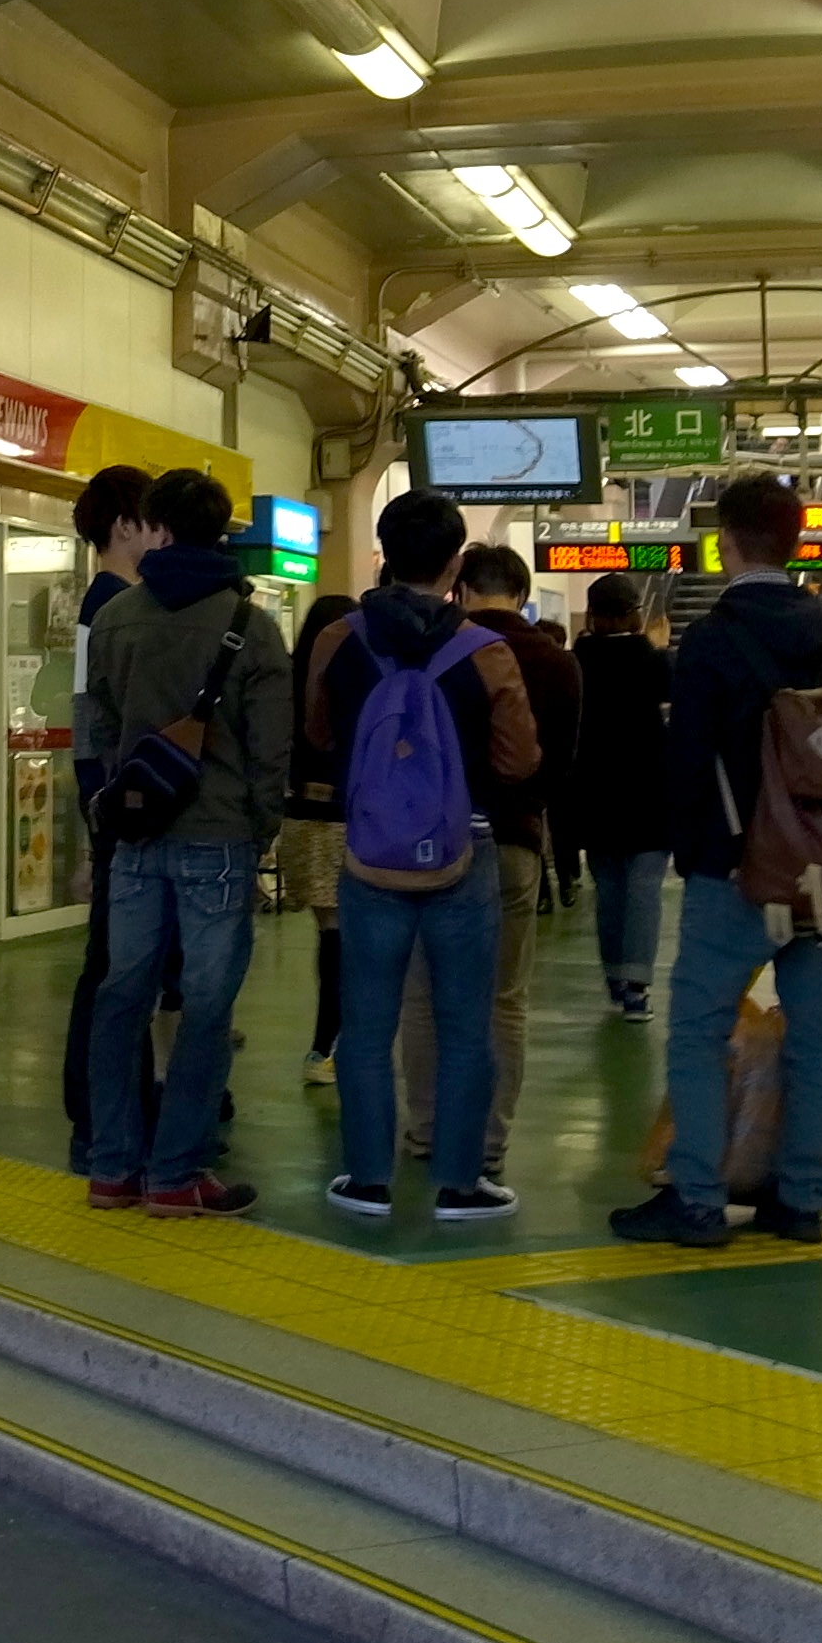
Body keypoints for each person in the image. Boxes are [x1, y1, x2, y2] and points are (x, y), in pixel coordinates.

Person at [610, 472, 822, 1248]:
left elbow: (686, 761)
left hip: (734, 870)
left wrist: (696, 856)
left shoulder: (713, 642)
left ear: (725, 543)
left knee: (698, 1028)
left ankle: (696, 1197)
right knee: (818, 1035)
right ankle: (801, 1201)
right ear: (797, 541)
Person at [304, 493, 540, 1221]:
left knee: (369, 1026)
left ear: (382, 551)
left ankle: (368, 1181)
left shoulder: (338, 641)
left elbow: (316, 735)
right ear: (456, 566)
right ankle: (461, 1185)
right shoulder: (488, 653)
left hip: (369, 855)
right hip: (462, 856)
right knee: (467, 1025)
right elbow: (518, 760)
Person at [80, 468, 293, 1218]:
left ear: (159, 528)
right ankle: (176, 1173)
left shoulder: (115, 620)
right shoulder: (251, 625)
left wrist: (117, 795)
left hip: (137, 835)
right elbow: (273, 750)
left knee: (121, 995)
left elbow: (98, 726)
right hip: (220, 838)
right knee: (205, 1006)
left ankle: (112, 1167)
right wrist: (259, 822)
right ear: (223, 531)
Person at [395, 542, 573, 1187]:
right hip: (516, 840)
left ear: (461, 591)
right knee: (503, 1001)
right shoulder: (557, 663)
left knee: (423, 996)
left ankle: (425, 1130)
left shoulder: (436, 652)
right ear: (522, 595)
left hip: (431, 845)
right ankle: (489, 1144)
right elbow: (556, 767)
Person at [61, 465, 161, 1165]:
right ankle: (96, 1105)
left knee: (117, 963)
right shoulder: (106, 607)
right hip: (115, 805)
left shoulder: (117, 602)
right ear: (124, 526)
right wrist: (99, 811)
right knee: (110, 965)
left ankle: (106, 1099)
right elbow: (89, 721)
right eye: (153, 521)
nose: (162, 535)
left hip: (111, 802)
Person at [565, 573, 677, 1017]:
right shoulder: (656, 663)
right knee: (644, 889)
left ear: (591, 616)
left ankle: (614, 978)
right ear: (636, 615)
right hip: (649, 796)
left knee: (608, 889)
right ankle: (636, 987)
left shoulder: (576, 665)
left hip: (594, 795)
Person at [277, 590, 360, 1088]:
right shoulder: (348, 677)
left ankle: (327, 1042)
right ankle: (332, 1042)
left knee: (330, 932)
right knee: (349, 938)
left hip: (300, 819)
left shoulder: (288, 676)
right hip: (345, 816)